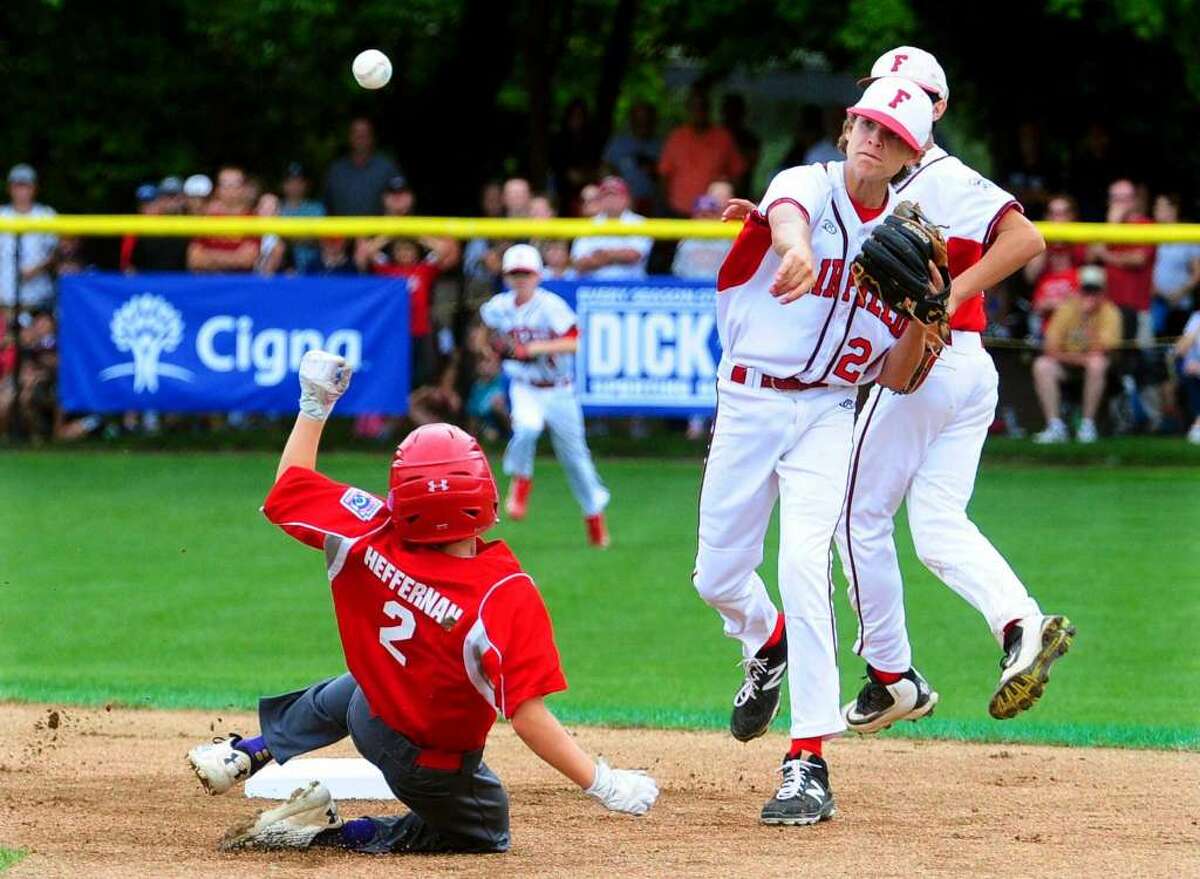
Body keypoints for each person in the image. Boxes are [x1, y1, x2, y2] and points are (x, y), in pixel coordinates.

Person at [185, 356, 657, 852]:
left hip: (371, 709)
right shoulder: (501, 592)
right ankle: (326, 832)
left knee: (368, 681)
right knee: (486, 828)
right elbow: (526, 714)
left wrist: (315, 404)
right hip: (424, 758)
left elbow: (289, 489)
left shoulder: (369, 528)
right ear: (482, 495)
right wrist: (604, 783)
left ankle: (249, 750)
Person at [693, 78, 936, 827]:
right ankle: (764, 639)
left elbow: (896, 376)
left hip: (830, 409)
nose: (873, 137)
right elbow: (790, 219)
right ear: (847, 130)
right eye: (866, 123)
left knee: (805, 559)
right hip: (750, 399)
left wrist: (929, 315)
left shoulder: (911, 238)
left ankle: (808, 758)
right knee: (717, 576)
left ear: (908, 152)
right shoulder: (804, 182)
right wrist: (792, 248)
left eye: (891, 133)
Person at [832, 48, 1072, 735]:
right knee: (937, 524)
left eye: (909, 97)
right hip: (969, 370)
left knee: (856, 516)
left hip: (930, 363)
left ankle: (889, 674)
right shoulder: (892, 178)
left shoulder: (943, 177)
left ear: (934, 110)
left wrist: (948, 297)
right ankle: (1022, 624)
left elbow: (1026, 238)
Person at [480, 245, 611, 548]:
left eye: (525, 273)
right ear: (506, 276)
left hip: (560, 390)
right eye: (514, 273)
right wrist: (490, 346)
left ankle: (595, 522)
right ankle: (521, 483)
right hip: (525, 385)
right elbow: (484, 330)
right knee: (526, 428)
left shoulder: (550, 305)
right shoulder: (500, 306)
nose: (520, 279)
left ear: (537, 275)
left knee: (577, 461)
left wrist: (533, 349)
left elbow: (574, 342)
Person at [1032, 264, 1121, 443]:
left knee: (1097, 363)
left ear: (1103, 292)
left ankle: (1087, 426)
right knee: (1042, 365)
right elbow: (1049, 347)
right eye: (1086, 290)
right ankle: (1055, 426)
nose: (1090, 296)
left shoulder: (1110, 312)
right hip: (1069, 363)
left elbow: (1103, 348)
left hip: (1096, 368)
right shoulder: (1067, 309)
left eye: (1094, 291)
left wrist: (1086, 319)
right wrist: (1077, 358)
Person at [658, 86, 746, 217]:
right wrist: (665, 205)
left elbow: (737, 174)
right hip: (678, 211)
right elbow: (664, 175)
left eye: (702, 107)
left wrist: (726, 202)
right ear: (688, 109)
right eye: (694, 107)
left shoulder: (723, 137)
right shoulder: (676, 137)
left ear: (708, 109)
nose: (698, 111)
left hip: (712, 214)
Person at [569, 177, 652, 279]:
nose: (611, 200)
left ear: (626, 199)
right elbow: (579, 262)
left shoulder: (640, 222)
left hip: (631, 287)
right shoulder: (590, 224)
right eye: (606, 196)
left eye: (615, 195)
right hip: (594, 288)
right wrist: (617, 256)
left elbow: (634, 255)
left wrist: (603, 255)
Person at [0, 164, 58, 309]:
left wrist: (38, 268)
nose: (21, 191)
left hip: (38, 299)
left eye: (26, 186)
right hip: (4, 299)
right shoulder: (1, 215)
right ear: (10, 189)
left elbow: (58, 252)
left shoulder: (46, 214)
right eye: (17, 186)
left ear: (34, 189)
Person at [186, 165, 259, 272]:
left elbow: (247, 260)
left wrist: (210, 256)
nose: (230, 190)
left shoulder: (253, 219)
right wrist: (233, 257)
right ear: (217, 189)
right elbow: (194, 260)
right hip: (208, 281)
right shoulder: (207, 219)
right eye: (225, 185)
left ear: (243, 189)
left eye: (234, 185)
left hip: (241, 283)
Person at [323, 118, 400, 216]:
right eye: (356, 133)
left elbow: (402, 200)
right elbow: (325, 207)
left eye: (365, 133)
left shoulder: (386, 168)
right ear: (349, 137)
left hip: (378, 230)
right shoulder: (336, 170)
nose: (360, 136)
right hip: (342, 230)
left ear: (372, 137)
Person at [1150, 193, 1200, 337]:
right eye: (1156, 206)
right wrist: (1158, 291)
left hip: (1181, 303)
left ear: (1174, 210)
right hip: (1155, 302)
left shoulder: (1187, 234)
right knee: (1154, 349)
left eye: (1161, 206)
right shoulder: (1149, 232)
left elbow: (1198, 273)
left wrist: (1179, 293)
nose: (1157, 210)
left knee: (1177, 344)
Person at [601, 101, 662, 215]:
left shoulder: (661, 145)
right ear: (631, 120)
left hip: (654, 205)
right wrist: (618, 194)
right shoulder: (618, 144)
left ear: (653, 121)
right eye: (638, 119)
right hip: (623, 205)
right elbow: (606, 171)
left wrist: (653, 169)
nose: (642, 123)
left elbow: (667, 179)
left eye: (646, 119)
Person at [279, 163, 326, 274]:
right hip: (281, 270)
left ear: (306, 185)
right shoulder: (276, 208)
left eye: (299, 182)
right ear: (283, 185)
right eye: (290, 181)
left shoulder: (316, 208)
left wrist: (286, 236)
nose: (294, 186)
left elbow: (319, 239)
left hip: (313, 268)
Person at [671, 194, 731, 279]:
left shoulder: (727, 243)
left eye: (709, 214)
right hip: (689, 289)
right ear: (694, 217)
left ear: (717, 217)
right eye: (702, 215)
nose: (705, 220)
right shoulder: (685, 243)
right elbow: (678, 273)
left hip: (717, 289)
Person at [1174, 308, 1200, 443]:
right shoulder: (1197, 318)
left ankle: (1198, 427)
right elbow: (1180, 349)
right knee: (1188, 368)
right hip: (1194, 370)